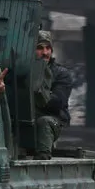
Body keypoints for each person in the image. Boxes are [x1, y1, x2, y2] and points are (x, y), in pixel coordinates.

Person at [33, 30, 73, 160]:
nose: (45, 53)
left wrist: (38, 91)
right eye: (39, 48)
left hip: (53, 120)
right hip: (27, 117)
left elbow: (57, 103)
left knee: (45, 122)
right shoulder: (24, 71)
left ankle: (43, 159)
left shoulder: (61, 73)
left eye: (48, 48)